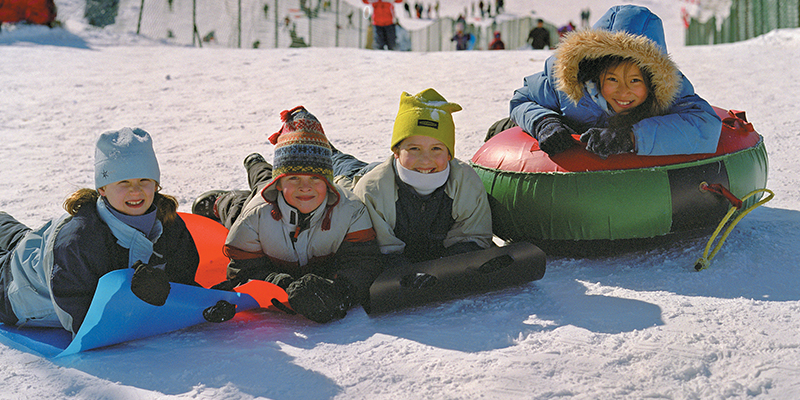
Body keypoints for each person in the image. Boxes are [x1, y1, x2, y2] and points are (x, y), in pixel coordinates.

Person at [0, 128, 199, 334]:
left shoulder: (168, 222)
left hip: (36, 245)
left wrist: (207, 304)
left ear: (156, 184)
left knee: (17, 239)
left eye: (144, 180)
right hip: (19, 288)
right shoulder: (80, 240)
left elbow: (183, 283)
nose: (136, 190)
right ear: (102, 189)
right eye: (124, 182)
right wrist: (135, 301)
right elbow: (80, 319)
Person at [194, 107, 383, 324]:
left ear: (329, 182)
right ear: (280, 182)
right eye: (293, 178)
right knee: (241, 204)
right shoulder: (255, 216)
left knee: (265, 184)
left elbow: (364, 261)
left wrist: (340, 291)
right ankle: (229, 192)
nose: (305, 187)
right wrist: (282, 284)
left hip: (280, 198)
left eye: (315, 179)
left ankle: (259, 165)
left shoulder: (351, 210)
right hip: (262, 203)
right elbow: (242, 271)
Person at [508, 5, 722, 158]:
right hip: (566, 134)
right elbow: (523, 100)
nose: (623, 92)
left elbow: (706, 125)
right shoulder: (565, 80)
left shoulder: (668, 90)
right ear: (595, 72)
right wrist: (544, 123)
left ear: (653, 80)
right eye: (612, 79)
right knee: (504, 128)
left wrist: (630, 137)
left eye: (635, 80)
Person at [331, 88, 494, 268]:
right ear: (396, 152)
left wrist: (454, 259)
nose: (426, 159)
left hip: (389, 171)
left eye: (436, 149)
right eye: (414, 148)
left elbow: (474, 235)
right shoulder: (371, 191)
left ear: (449, 154)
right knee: (339, 164)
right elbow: (379, 250)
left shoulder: (465, 182)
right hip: (359, 176)